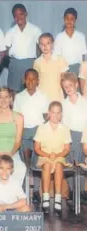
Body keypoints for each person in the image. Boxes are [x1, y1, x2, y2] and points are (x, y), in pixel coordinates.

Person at [13, 68, 49, 201]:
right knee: (24, 161)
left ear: (38, 81)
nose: (30, 81)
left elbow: (46, 116)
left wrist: (41, 132)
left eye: (33, 79)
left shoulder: (43, 96)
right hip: (24, 130)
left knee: (37, 161)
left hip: (38, 131)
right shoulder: (19, 97)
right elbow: (17, 117)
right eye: (28, 78)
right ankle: (23, 189)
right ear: (24, 80)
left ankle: (37, 191)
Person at [34, 101, 72, 213]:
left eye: (58, 113)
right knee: (46, 165)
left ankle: (58, 198)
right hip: (44, 155)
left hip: (59, 156)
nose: (56, 116)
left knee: (59, 165)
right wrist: (48, 155)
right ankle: (45, 197)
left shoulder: (65, 129)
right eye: (53, 113)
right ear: (48, 113)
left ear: (61, 115)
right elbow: (37, 148)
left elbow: (66, 149)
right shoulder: (41, 128)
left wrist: (57, 155)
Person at [5, 3, 42, 93]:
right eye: (15, 15)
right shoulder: (10, 32)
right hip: (15, 64)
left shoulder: (35, 30)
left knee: (30, 89)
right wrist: (11, 63)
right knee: (14, 91)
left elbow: (40, 48)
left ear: (26, 14)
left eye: (21, 14)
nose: (18, 17)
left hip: (30, 63)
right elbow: (5, 50)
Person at [61, 72, 87, 200]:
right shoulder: (63, 104)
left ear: (76, 84)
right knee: (70, 163)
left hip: (83, 136)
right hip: (69, 136)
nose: (68, 89)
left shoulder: (84, 102)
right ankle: (72, 191)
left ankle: (81, 191)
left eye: (70, 85)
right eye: (65, 87)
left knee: (81, 162)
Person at [34, 33, 69, 102]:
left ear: (53, 44)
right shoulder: (37, 62)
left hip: (57, 96)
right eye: (42, 44)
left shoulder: (60, 59)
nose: (45, 46)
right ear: (39, 46)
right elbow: (36, 80)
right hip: (42, 96)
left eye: (48, 43)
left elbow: (64, 79)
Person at [54, 8, 87, 75]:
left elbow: (84, 54)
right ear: (64, 19)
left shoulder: (81, 36)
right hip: (64, 69)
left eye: (72, 19)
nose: (69, 21)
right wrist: (63, 70)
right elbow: (57, 56)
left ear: (75, 20)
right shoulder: (59, 37)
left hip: (79, 68)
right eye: (67, 18)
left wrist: (84, 68)